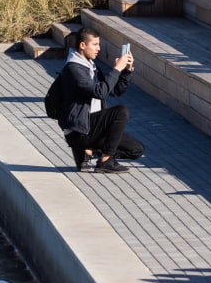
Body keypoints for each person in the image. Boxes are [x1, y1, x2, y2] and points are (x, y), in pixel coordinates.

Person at [54, 28, 144, 174]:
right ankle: (105, 161)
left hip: (93, 127)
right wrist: (116, 69)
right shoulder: (73, 69)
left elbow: (115, 91)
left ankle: (87, 152)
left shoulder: (91, 65)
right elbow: (99, 92)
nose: (99, 48)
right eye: (95, 44)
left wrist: (126, 71)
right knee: (120, 112)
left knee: (136, 150)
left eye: (99, 44)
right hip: (79, 131)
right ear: (83, 45)